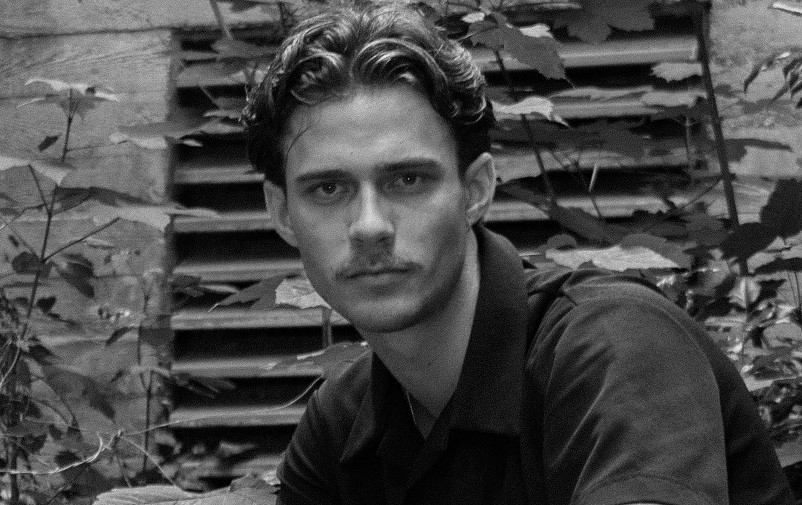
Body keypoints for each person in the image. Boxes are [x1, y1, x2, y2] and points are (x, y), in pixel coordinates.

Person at [242, 2, 795, 503]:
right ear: (282, 212)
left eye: (408, 180)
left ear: (476, 190)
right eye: (328, 189)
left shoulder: (616, 344)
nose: (370, 226)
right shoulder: (341, 425)